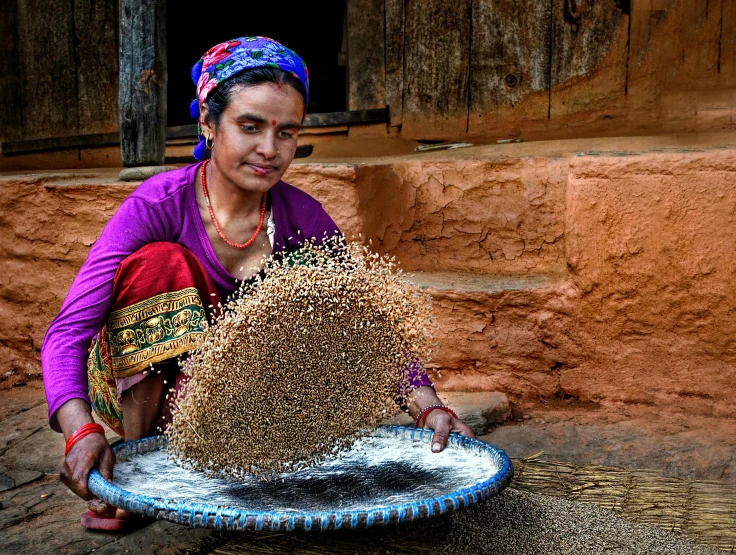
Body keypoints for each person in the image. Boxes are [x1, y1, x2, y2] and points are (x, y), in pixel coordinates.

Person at [41, 36, 474, 530]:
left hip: (245, 411)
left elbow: (367, 332)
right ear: (208, 122)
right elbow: (67, 332)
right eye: (250, 127)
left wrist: (429, 409)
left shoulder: (304, 220)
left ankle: (229, 466)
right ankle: (139, 479)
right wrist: (80, 433)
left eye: (286, 132)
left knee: (315, 294)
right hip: (141, 390)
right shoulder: (157, 205)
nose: (269, 150)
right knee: (161, 265)